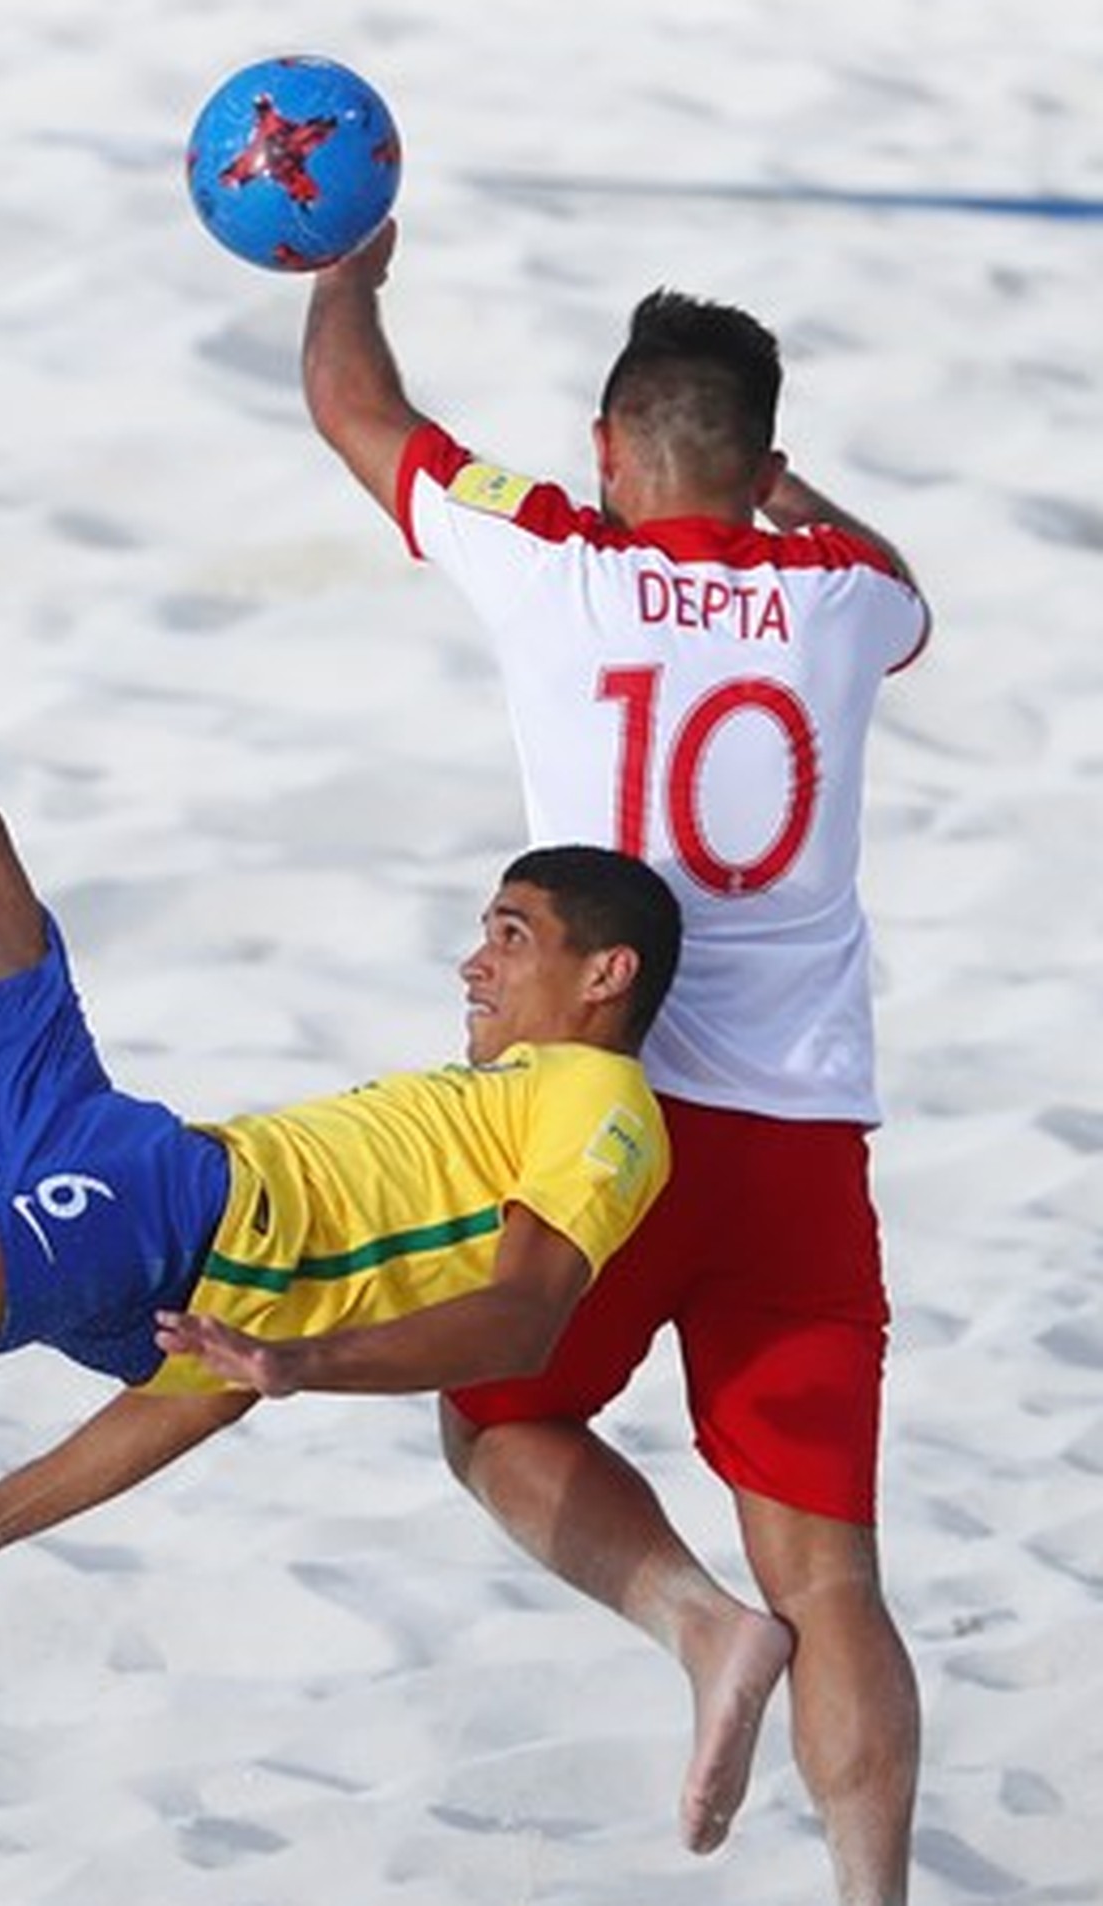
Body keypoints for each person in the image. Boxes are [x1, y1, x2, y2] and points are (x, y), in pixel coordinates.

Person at [0, 230, 703, 1906]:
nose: (474, 960)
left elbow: (522, 1314)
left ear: (604, 975)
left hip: (168, 1202)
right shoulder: (476, 1109)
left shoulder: (598, 1107)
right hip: (125, 1164)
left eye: (511, 934)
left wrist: (301, 1374)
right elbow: (200, 1377)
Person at [299, 221, 929, 1904]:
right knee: (839, 1576)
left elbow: (353, 406)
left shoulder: (559, 557)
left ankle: (690, 1619)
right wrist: (802, 511)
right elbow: (912, 593)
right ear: (762, 457)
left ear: (606, 449)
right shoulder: (846, 596)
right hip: (803, 1144)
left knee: (496, 1416)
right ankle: (876, 1889)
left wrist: (345, 265)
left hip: (610, 1117)